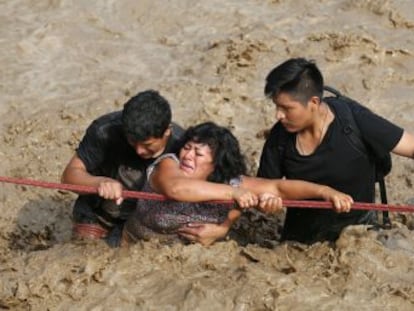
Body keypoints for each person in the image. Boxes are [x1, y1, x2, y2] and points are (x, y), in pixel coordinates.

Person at [258, 57, 414, 244]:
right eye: (276, 106)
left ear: (314, 103)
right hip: (300, 242)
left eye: (286, 108)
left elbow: (411, 147)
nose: (278, 115)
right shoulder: (279, 138)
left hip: (358, 234)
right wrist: (267, 204)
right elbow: (263, 188)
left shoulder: (354, 120)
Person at [123, 122, 354, 246]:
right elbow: (177, 189)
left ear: (216, 164)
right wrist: (234, 193)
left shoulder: (233, 182)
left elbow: (278, 188)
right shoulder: (167, 165)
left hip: (189, 257)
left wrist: (325, 191)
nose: (187, 157)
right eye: (187, 148)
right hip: (135, 246)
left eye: (198, 154)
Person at [61, 90, 184, 245]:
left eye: (147, 145)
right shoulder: (104, 131)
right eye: (132, 141)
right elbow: (68, 176)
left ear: (167, 131)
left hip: (148, 219)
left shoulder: (183, 147)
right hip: (99, 213)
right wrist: (99, 183)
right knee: (85, 249)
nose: (139, 151)